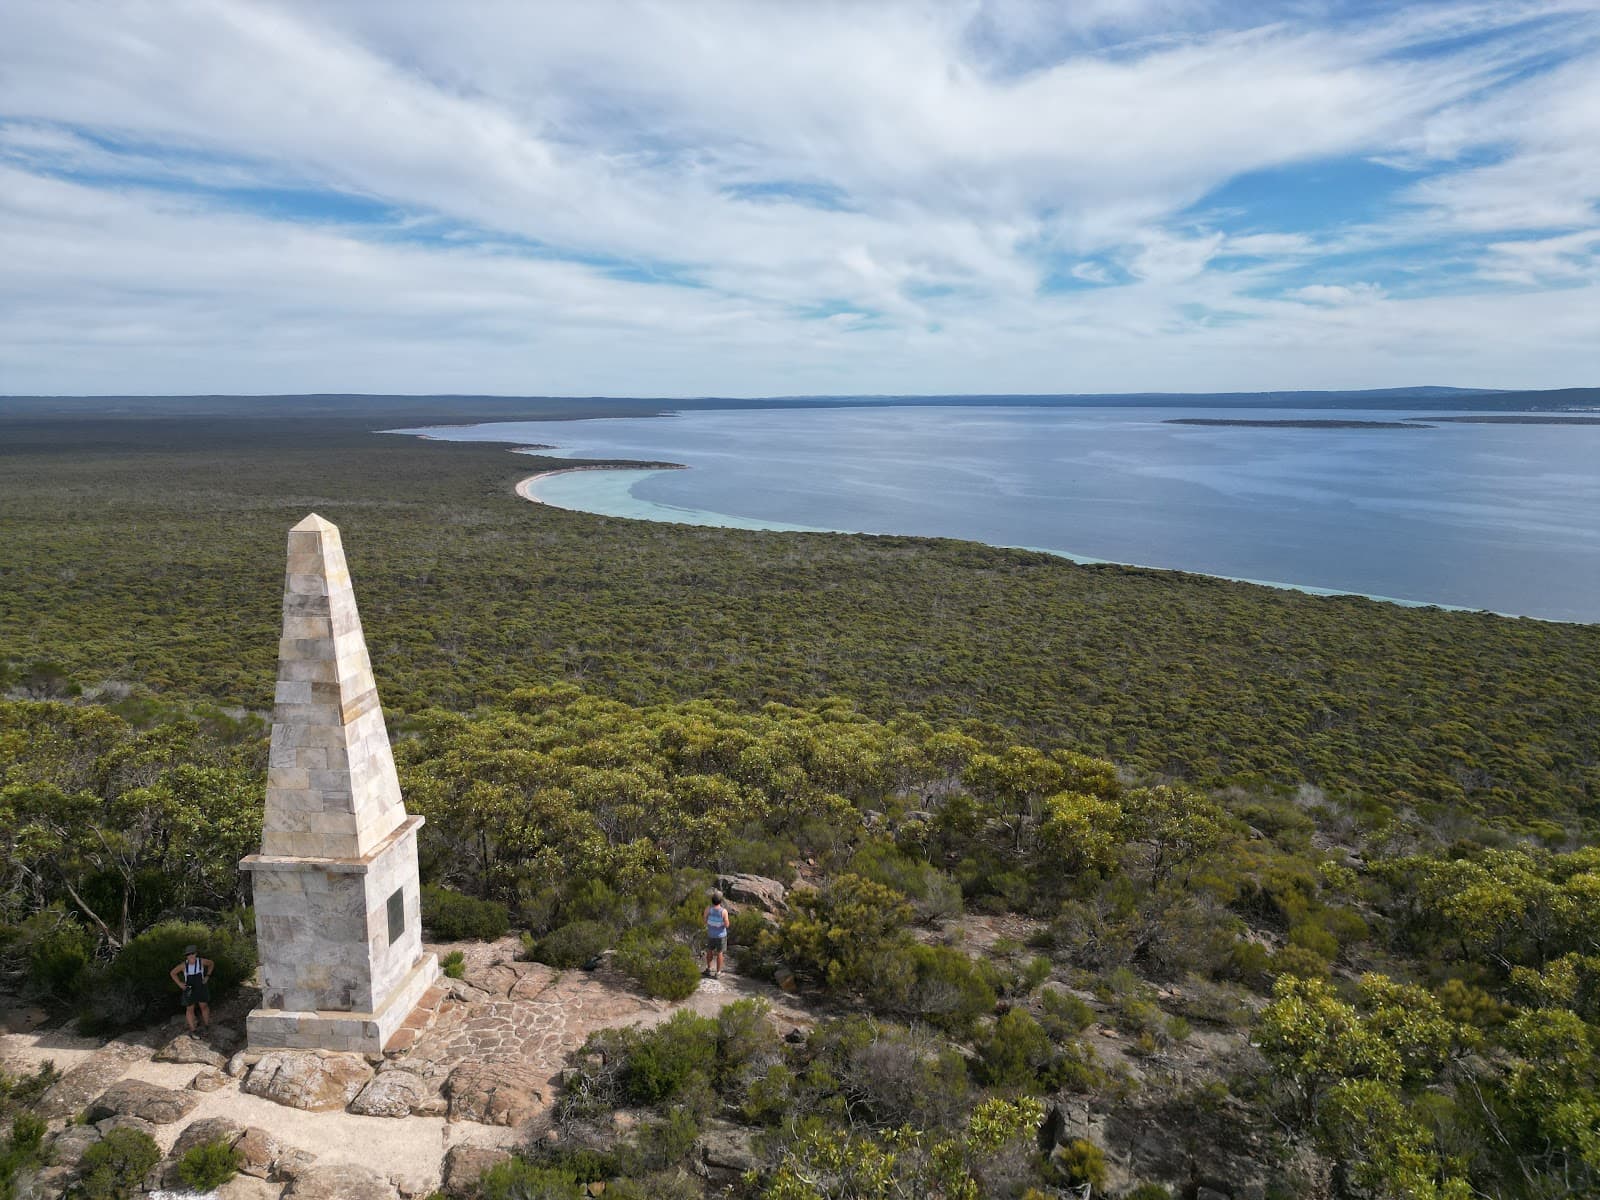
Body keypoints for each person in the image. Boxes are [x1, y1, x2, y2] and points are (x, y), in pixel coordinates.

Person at [169, 944, 214, 1032]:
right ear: (186, 956)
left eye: (192, 953)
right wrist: (180, 984)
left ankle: (207, 1025)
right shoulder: (183, 965)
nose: (190, 956)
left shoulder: (201, 961)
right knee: (190, 1009)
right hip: (189, 988)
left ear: (196, 953)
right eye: (188, 954)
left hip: (201, 986)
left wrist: (207, 976)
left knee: (204, 1006)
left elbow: (211, 963)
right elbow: (173, 973)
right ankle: (193, 1030)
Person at [703, 891, 731, 979]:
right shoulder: (723, 911)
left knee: (709, 951)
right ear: (721, 901)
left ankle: (708, 969)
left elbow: (705, 920)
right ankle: (718, 972)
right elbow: (726, 925)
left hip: (711, 934)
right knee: (719, 953)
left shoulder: (708, 909)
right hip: (721, 935)